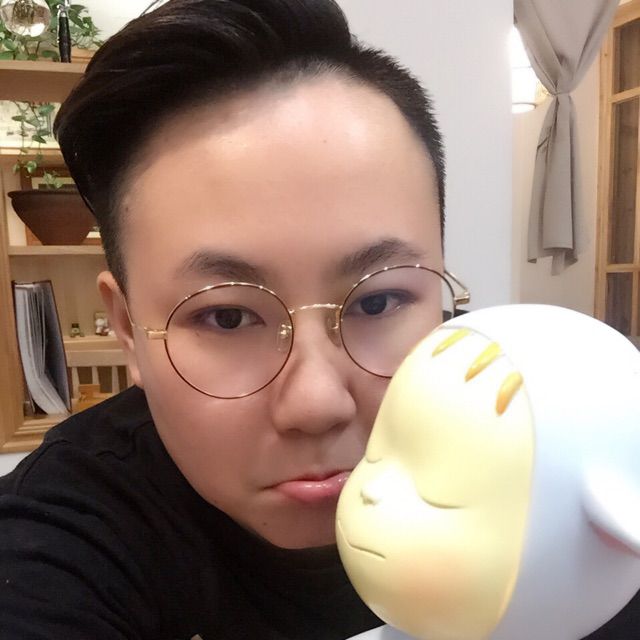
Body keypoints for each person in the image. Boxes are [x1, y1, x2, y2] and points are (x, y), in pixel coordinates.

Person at [0, 1, 636, 639]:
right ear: (128, 330)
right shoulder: (63, 540)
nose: (316, 403)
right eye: (227, 316)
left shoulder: (584, 491)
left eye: (377, 302)